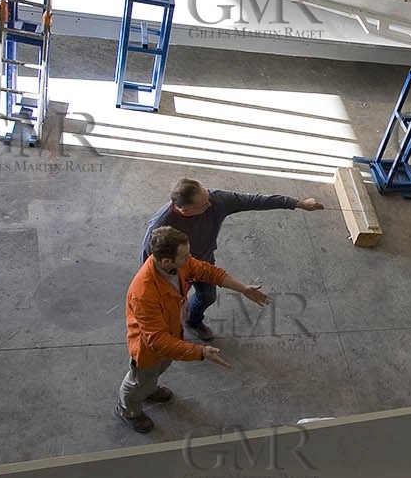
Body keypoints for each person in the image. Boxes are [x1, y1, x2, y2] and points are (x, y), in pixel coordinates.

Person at [118, 225, 270, 434]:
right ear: (166, 261)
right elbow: (157, 340)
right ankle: (128, 410)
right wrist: (200, 351)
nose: (190, 258)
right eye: (185, 256)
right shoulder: (144, 293)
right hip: (148, 350)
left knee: (157, 372)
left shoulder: (177, 265)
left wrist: (243, 288)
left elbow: (208, 272)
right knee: (139, 381)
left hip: (172, 334)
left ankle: (149, 390)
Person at [140, 178, 323, 341]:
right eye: (203, 204)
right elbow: (148, 263)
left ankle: (193, 321)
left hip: (203, 262)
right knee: (170, 313)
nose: (210, 204)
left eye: (208, 196)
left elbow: (254, 200)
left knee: (207, 296)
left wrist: (298, 203)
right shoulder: (160, 228)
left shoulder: (215, 200)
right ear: (185, 210)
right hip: (174, 273)